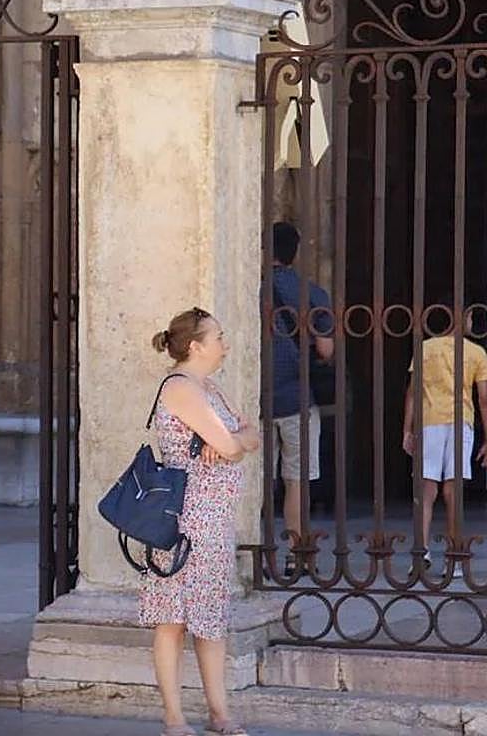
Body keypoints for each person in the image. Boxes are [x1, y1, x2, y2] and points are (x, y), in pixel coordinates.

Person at [141, 308, 260, 736]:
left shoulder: (210, 388)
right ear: (196, 346)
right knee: (172, 617)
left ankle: (219, 713)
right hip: (184, 520)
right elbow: (231, 443)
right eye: (219, 336)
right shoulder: (180, 388)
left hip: (214, 519)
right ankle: (174, 717)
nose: (225, 344)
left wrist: (235, 442)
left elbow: (250, 435)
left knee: (211, 617)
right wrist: (232, 442)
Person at [402, 300, 487, 572]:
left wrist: (406, 429)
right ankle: (455, 557)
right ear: (465, 318)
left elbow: (413, 392)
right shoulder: (476, 352)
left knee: (426, 491)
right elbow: (484, 399)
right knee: (454, 491)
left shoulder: (426, 348)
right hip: (461, 424)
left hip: (429, 423)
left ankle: (422, 552)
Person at [269, 222, 334, 572]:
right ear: (295, 252)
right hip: (297, 397)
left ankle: (255, 553)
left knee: (256, 479)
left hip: (255, 401)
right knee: (297, 480)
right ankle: (298, 555)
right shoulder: (312, 294)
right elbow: (326, 350)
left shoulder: (250, 289)